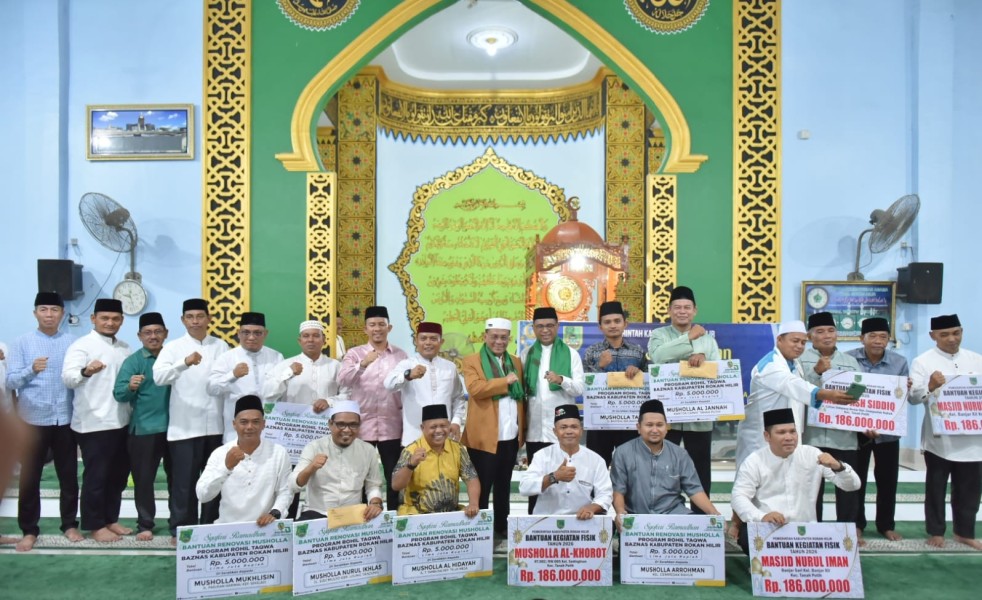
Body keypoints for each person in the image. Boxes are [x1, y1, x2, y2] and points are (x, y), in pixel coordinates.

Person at [5, 292, 81, 551]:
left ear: (62, 313)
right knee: (30, 478)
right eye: (44, 309)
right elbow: (10, 381)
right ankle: (29, 530)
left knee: (68, 477)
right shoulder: (21, 343)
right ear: (35, 313)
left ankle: (69, 525)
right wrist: (31, 370)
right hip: (33, 420)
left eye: (54, 310)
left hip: (65, 419)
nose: (49, 315)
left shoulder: (73, 343)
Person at [731, 408, 861, 554]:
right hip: (769, 527)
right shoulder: (754, 461)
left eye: (792, 431)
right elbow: (738, 497)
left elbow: (853, 485)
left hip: (805, 530)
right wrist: (762, 516)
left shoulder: (812, 454)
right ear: (767, 436)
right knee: (748, 538)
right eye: (781, 432)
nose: (789, 437)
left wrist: (838, 466)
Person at [152, 298, 230, 540]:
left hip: (216, 427)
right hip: (184, 428)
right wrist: (183, 363)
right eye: (190, 317)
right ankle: (181, 530)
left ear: (209, 319)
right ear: (183, 320)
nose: (195, 321)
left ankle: (209, 528)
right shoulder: (173, 348)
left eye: (200, 316)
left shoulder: (222, 346)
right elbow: (159, 377)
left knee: (214, 481)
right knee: (184, 484)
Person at [61, 298, 133, 543]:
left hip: (121, 420)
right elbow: (68, 378)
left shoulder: (124, 348)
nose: (110, 323)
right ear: (94, 319)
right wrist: (86, 371)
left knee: (118, 476)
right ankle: (95, 524)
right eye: (104, 318)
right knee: (96, 477)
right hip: (93, 423)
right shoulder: (82, 346)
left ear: (121, 321)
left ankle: (110, 519)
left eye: (115, 319)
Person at [909, 314, 982, 550]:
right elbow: (912, 398)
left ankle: (964, 532)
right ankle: (936, 531)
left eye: (956, 333)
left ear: (962, 332)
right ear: (933, 336)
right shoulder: (922, 362)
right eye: (945, 335)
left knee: (970, 490)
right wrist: (930, 386)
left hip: (973, 441)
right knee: (936, 488)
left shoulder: (977, 360)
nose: (952, 339)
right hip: (940, 440)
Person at [647, 286, 720, 503]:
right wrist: (689, 338)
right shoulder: (659, 335)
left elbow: (718, 371)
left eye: (687, 307)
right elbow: (659, 356)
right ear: (669, 310)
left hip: (699, 416)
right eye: (677, 307)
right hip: (667, 417)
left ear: (694, 310)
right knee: (663, 468)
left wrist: (703, 359)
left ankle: (701, 515)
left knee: (700, 469)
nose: (682, 311)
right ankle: (664, 512)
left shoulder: (708, 340)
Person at [337, 306, 408, 510]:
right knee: (359, 475)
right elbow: (342, 379)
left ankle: (392, 517)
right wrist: (362, 365)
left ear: (389, 328)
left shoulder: (401, 355)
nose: (377, 329)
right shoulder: (354, 354)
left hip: (392, 425)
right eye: (372, 325)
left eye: (381, 324)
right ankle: (361, 517)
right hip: (361, 427)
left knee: (393, 474)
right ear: (365, 329)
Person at [461, 317, 526, 536]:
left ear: (509, 338)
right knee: (481, 487)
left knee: (504, 486)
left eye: (503, 337)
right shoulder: (472, 361)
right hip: (483, 438)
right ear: (485, 336)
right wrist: (505, 381)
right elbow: (475, 389)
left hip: (510, 436)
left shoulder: (515, 362)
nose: (499, 341)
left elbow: (521, 398)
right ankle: (480, 530)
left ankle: (502, 526)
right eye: (494, 337)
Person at [846, 317, 908, 541]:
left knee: (888, 480)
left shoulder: (899, 362)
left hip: (887, 432)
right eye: (872, 336)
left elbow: (900, 398)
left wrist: (906, 389)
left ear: (889, 339)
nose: (878, 341)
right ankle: (857, 524)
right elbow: (846, 393)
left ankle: (885, 525)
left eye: (883, 336)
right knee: (856, 479)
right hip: (856, 431)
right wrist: (861, 422)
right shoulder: (848, 359)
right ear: (861, 338)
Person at [611, 400, 720, 526]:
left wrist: (714, 512)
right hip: (637, 517)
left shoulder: (680, 454)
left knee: (700, 530)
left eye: (659, 425)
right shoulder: (623, 452)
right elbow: (618, 489)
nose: (655, 430)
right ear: (639, 427)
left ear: (666, 427)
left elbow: (694, 489)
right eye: (649, 425)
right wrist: (620, 512)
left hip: (674, 515)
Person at [112, 312, 171, 541]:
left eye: (158, 331)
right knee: (144, 480)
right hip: (144, 430)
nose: (153, 336)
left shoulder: (173, 357)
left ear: (165, 333)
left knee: (178, 480)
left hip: (176, 428)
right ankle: (145, 524)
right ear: (139, 336)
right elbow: (119, 393)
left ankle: (178, 525)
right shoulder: (134, 361)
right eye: (148, 332)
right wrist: (130, 387)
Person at [799, 311, 861, 525]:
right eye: (820, 331)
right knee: (811, 488)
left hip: (843, 435)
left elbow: (861, 395)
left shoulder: (850, 362)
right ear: (810, 336)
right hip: (811, 435)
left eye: (831, 330)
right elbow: (796, 391)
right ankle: (813, 530)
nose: (827, 335)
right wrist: (816, 372)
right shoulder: (800, 360)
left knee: (846, 486)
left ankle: (847, 531)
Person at [522, 306, 585, 512]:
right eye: (540, 326)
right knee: (537, 482)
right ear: (533, 328)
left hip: (561, 432)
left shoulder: (571, 354)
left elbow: (580, 388)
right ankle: (534, 522)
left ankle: (564, 522)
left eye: (550, 325)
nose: (545, 330)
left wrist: (561, 380)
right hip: (534, 431)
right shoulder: (526, 354)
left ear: (557, 326)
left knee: (564, 484)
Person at [196, 395, 292, 525]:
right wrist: (226, 467)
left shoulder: (278, 453)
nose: (249, 427)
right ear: (234, 424)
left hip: (265, 528)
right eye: (244, 422)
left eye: (256, 422)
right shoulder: (220, 453)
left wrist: (275, 513)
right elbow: (203, 495)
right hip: (228, 528)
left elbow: (285, 491)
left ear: (264, 424)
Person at [290, 400, 384, 521]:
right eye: (341, 424)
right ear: (330, 424)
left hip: (352, 515)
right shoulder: (314, 447)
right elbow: (293, 485)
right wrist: (311, 468)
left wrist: (375, 503)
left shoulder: (368, 450)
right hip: (317, 513)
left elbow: (373, 485)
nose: (347, 430)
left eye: (353, 425)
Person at [520, 404, 612, 519]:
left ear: (581, 430)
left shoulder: (596, 460)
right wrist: (554, 477)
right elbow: (524, 487)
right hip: (545, 521)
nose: (569, 431)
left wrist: (592, 507)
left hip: (581, 521)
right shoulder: (542, 455)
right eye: (563, 427)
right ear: (555, 431)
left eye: (574, 427)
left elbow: (605, 493)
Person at [583, 300, 647, 466]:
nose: (613, 325)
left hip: (629, 422)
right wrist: (600, 366)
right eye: (607, 322)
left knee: (631, 467)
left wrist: (639, 373)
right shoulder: (592, 352)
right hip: (600, 421)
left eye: (617, 321)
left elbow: (648, 384)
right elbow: (584, 385)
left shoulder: (637, 352)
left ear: (625, 324)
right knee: (596, 467)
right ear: (600, 327)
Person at [384, 321, 466, 447]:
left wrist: (456, 421)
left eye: (433, 339)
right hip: (414, 437)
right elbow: (388, 385)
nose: (428, 342)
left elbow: (458, 397)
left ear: (441, 342)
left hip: (444, 437)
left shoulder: (450, 367)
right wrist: (408, 375)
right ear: (416, 341)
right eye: (423, 338)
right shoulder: (407, 364)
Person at [392, 404, 480, 516]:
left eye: (443, 426)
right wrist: (411, 465)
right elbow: (396, 485)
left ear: (449, 425)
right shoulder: (411, 451)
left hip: (450, 515)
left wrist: (473, 503)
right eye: (433, 427)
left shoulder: (457, 449)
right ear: (422, 428)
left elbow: (472, 479)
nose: (439, 430)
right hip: (416, 516)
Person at [208, 311, 283, 442]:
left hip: (270, 429)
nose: (251, 337)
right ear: (238, 333)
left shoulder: (276, 357)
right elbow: (212, 389)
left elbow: (282, 391)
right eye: (246, 332)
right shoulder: (226, 358)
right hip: (235, 432)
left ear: (265, 334)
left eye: (257, 333)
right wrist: (232, 375)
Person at [262, 319, 348, 412]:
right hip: (293, 419)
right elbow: (268, 393)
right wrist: (287, 373)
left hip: (327, 419)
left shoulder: (336, 366)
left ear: (323, 340)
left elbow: (347, 394)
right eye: (306, 336)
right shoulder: (285, 365)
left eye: (316, 336)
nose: (310, 340)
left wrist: (329, 402)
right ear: (300, 341)